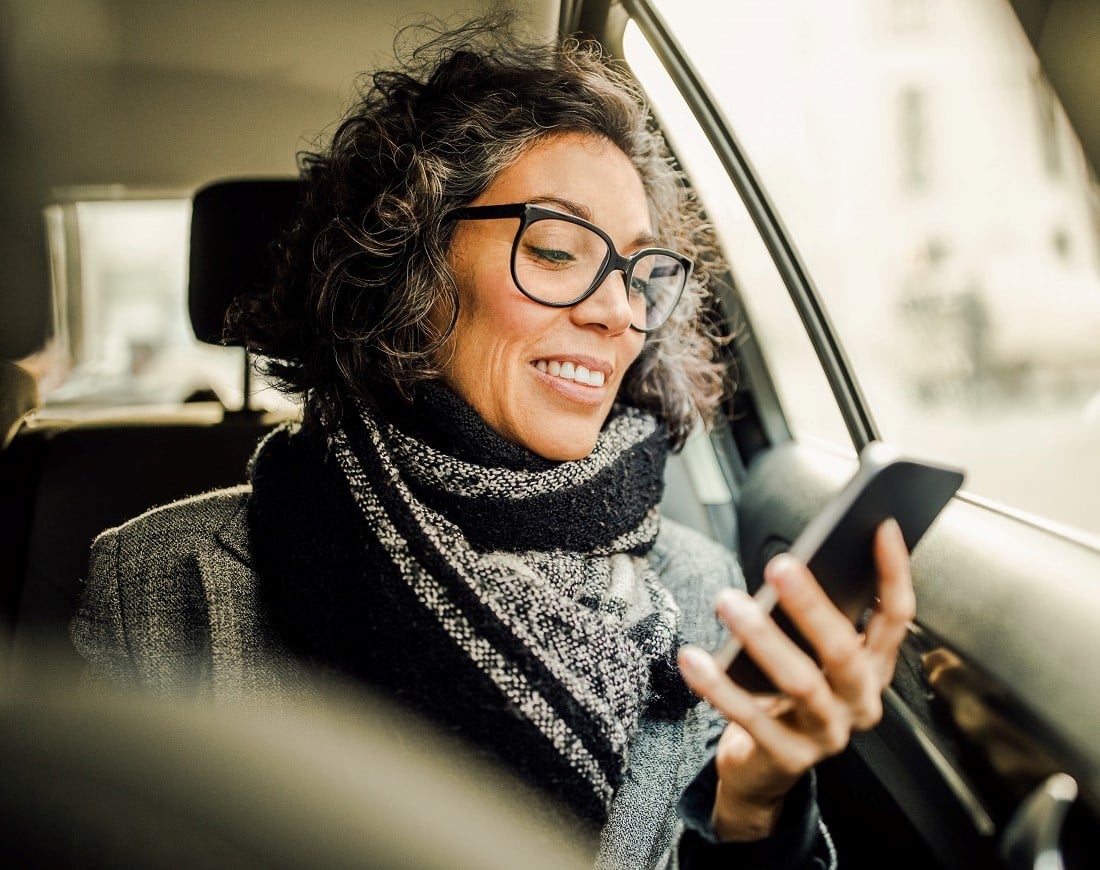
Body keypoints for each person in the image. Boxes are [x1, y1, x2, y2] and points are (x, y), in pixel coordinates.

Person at [71, 19, 914, 869]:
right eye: (556, 249)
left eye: (639, 273)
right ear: (410, 265)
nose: (617, 314)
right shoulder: (159, 578)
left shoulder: (703, 592)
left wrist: (755, 805)